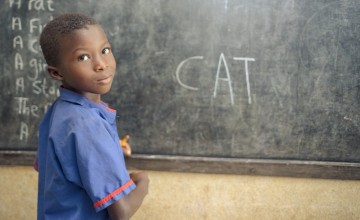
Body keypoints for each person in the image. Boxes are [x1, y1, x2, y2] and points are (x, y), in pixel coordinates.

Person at [35, 13, 149, 220]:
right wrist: (142, 182)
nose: (101, 64)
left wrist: (111, 149)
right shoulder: (87, 125)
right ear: (56, 73)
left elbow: (63, 164)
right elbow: (121, 212)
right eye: (83, 57)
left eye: (105, 51)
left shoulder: (58, 111)